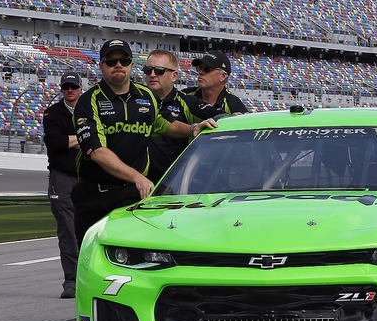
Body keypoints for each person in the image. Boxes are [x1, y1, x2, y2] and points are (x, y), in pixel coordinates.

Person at [71, 39, 217, 246]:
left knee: (136, 255)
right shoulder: (89, 100)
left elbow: (162, 125)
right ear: (101, 66)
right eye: (111, 61)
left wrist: (192, 128)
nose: (118, 65)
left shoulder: (146, 95)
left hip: (133, 194)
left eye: (124, 60)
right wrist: (138, 177)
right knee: (89, 258)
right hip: (95, 194)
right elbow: (97, 151)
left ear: (131, 65)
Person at [142, 49, 219, 182]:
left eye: (159, 70)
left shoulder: (187, 102)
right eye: (148, 70)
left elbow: (221, 117)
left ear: (174, 75)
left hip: (172, 186)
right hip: (136, 185)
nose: (153, 74)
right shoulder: (133, 101)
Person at [42, 71, 82, 298]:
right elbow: (55, 142)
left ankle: (91, 279)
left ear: (79, 88)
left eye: (73, 87)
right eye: (66, 87)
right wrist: (82, 138)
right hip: (62, 178)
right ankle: (71, 282)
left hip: (88, 176)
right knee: (67, 231)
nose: (70, 91)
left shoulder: (89, 109)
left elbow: (101, 136)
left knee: (89, 230)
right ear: (62, 89)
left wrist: (71, 140)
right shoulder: (53, 113)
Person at [181, 50, 249, 115]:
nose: (200, 72)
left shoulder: (234, 104)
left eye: (207, 69)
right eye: (199, 68)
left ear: (223, 76)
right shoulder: (184, 96)